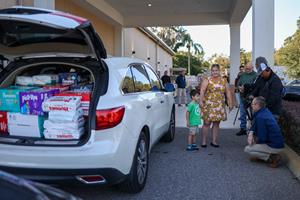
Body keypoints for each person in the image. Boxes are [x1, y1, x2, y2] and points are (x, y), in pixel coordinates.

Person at [244, 96, 284, 168]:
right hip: (277, 144)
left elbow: (263, 137)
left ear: (257, 105)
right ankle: (263, 156)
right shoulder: (265, 111)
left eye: (253, 104)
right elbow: (255, 125)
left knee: (248, 149)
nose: (251, 105)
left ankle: (272, 157)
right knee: (254, 143)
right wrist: (251, 133)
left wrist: (254, 141)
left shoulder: (260, 117)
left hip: (274, 146)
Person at [199, 64, 233, 147]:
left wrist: (230, 103)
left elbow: (228, 92)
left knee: (216, 123)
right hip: (208, 104)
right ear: (211, 71)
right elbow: (202, 90)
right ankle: (204, 141)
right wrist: (200, 100)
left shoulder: (224, 80)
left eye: (216, 70)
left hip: (219, 105)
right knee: (207, 123)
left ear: (219, 71)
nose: (215, 72)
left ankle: (214, 141)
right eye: (213, 70)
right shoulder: (207, 80)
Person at [236, 62, 257, 136]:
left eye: (248, 68)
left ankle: (253, 129)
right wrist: (240, 88)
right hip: (242, 97)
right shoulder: (243, 75)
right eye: (246, 68)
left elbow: (256, 86)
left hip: (252, 98)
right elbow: (238, 84)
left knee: (253, 114)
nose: (247, 70)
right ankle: (243, 129)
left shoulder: (256, 75)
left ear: (252, 68)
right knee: (242, 113)